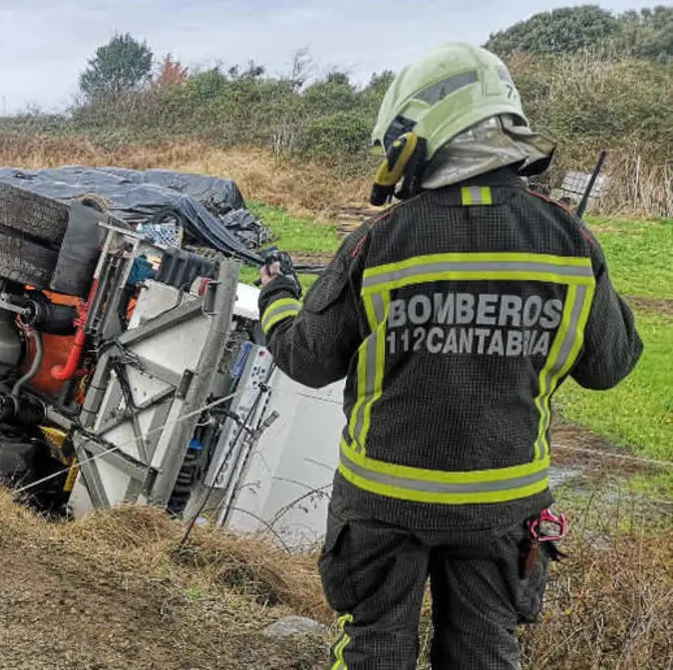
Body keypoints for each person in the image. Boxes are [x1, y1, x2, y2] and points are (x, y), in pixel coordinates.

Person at [256, 42, 643, 669]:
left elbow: (308, 358)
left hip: (383, 501)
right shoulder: (571, 242)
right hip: (502, 506)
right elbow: (611, 364)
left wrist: (276, 294)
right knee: (486, 653)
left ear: (419, 137)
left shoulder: (379, 242)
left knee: (374, 647)